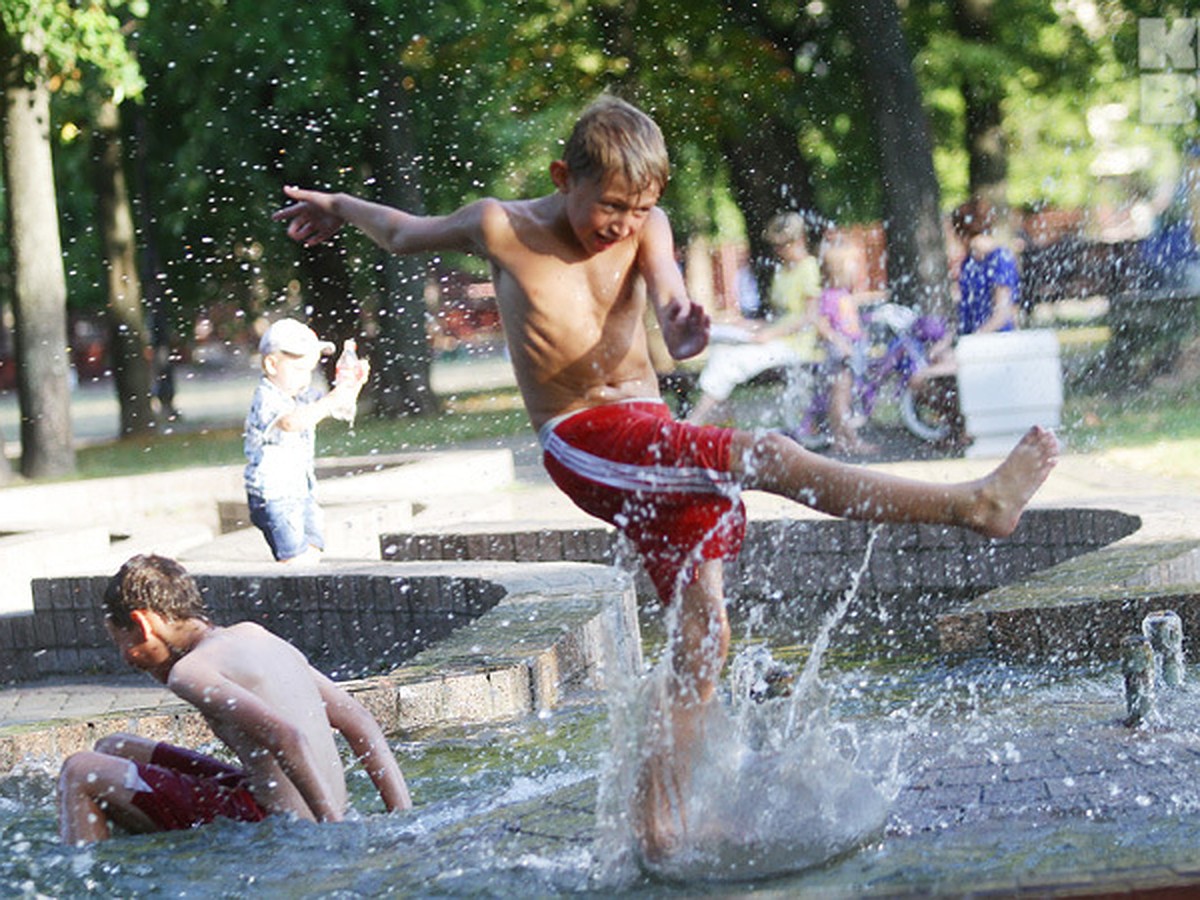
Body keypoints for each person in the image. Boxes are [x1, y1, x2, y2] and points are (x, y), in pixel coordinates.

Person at [272, 93, 1058, 865]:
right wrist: (339, 206)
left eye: (638, 206)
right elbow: (405, 232)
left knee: (702, 633)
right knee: (772, 455)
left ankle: (661, 830)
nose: (620, 223)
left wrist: (683, 324)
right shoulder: (501, 227)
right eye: (608, 205)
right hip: (583, 437)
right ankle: (975, 504)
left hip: (654, 441)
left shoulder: (646, 227)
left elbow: (678, 314)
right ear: (562, 175)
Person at [57, 554, 411, 845]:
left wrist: (333, 832)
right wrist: (403, 820)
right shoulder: (255, 636)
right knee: (112, 746)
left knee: (79, 771)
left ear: (143, 623)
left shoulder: (190, 672)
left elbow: (286, 736)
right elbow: (359, 720)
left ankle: (82, 880)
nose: (126, 657)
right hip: (307, 807)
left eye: (122, 641)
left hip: (276, 822)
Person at [243, 318, 369, 563]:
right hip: (273, 496)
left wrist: (352, 386)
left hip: (301, 491)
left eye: (309, 371)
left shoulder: (301, 394)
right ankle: (290, 592)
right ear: (271, 365)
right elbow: (290, 423)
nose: (305, 379)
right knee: (294, 560)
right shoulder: (267, 397)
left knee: (313, 549)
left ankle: (304, 587)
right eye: (299, 370)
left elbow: (336, 407)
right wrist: (331, 400)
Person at [685, 212, 821, 427]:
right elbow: (781, 316)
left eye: (783, 245)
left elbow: (809, 317)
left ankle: (696, 420)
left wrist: (770, 334)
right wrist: (751, 326)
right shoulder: (783, 271)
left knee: (731, 361)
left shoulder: (809, 267)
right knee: (720, 348)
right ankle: (720, 420)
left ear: (799, 240)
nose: (778, 251)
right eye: (776, 246)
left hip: (794, 344)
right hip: (776, 338)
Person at [911, 198, 1021, 447]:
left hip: (995, 344)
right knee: (931, 367)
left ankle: (964, 431)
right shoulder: (969, 262)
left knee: (921, 378)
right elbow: (964, 316)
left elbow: (1002, 313)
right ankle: (960, 429)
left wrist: (969, 343)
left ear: (961, 229)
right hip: (975, 344)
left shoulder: (1000, 257)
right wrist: (946, 342)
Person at [810, 241, 887, 456]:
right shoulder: (829, 296)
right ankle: (852, 440)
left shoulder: (842, 294)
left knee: (840, 398)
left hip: (848, 350)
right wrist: (841, 343)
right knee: (840, 399)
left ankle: (839, 440)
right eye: (853, 267)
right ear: (839, 271)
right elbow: (821, 325)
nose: (857, 272)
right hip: (840, 354)